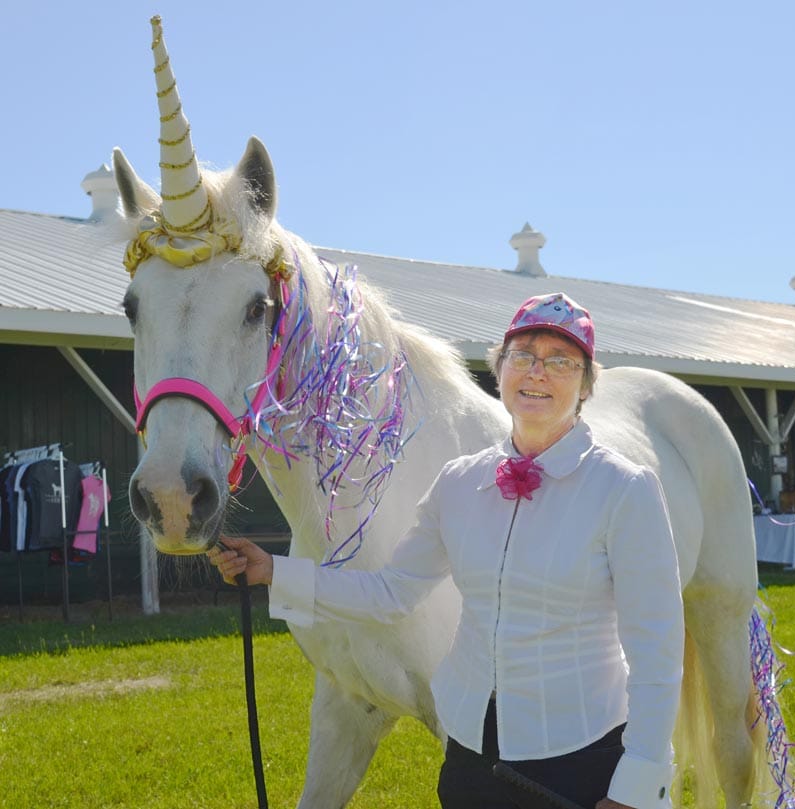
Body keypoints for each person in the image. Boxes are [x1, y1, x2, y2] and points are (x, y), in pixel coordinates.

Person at [210, 292, 684, 809]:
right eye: (522, 356)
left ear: (587, 385)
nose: (537, 373)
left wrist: (637, 786)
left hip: (577, 758)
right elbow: (391, 592)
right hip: (470, 757)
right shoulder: (460, 482)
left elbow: (656, 650)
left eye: (561, 361)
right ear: (499, 370)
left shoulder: (625, 489)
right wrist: (272, 572)